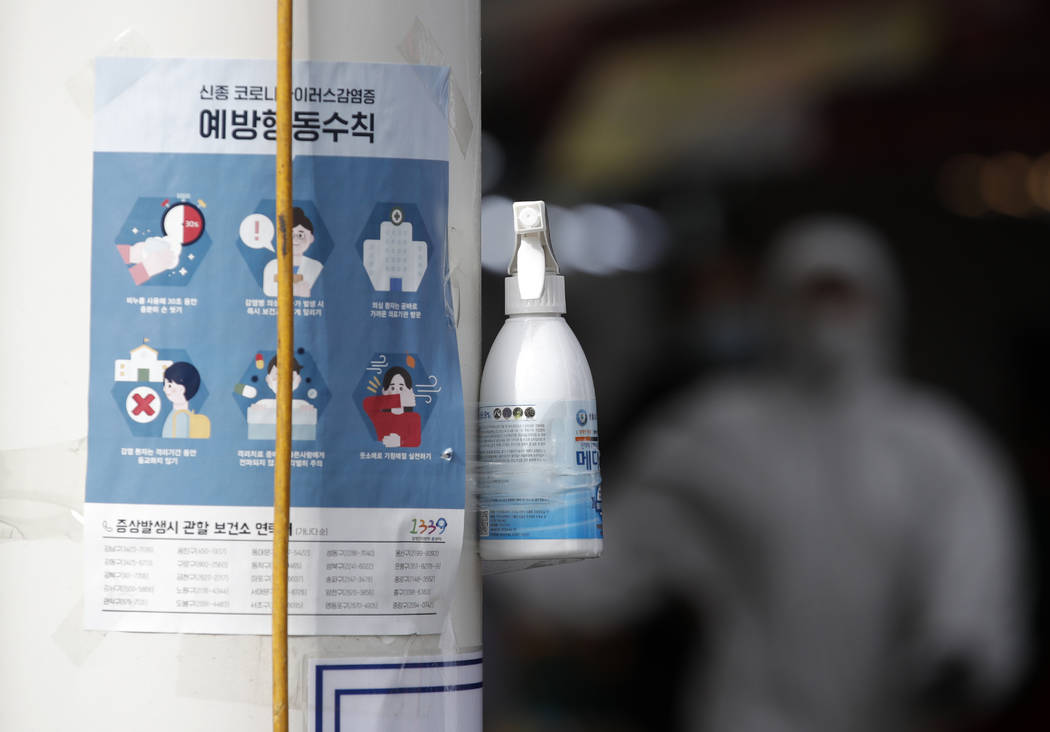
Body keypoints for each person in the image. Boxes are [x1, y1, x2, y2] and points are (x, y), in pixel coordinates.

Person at [488, 215, 1028, 732]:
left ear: (882, 301)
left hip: (888, 714)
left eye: (842, 295)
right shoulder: (719, 436)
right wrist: (499, 551)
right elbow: (620, 550)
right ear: (776, 300)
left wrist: (961, 649)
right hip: (750, 713)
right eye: (811, 295)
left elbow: (973, 561)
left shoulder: (933, 448)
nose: (827, 317)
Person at [246, 355, 318, 440]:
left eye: (290, 377)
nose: (284, 382)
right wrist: (257, 411)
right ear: (268, 380)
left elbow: (308, 430)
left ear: (298, 380)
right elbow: (255, 429)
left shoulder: (302, 404)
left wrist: (307, 412)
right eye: (277, 377)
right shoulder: (263, 403)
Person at [262, 206, 323, 298]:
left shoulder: (317, 267)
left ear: (311, 238)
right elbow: (268, 293)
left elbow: (320, 294)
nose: (294, 240)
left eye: (300, 235)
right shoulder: (271, 266)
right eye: (289, 235)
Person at [363, 366, 421, 448]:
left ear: (410, 391)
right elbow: (366, 403)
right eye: (392, 388)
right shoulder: (380, 417)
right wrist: (400, 400)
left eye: (401, 388)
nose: (397, 392)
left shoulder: (414, 418)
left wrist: (400, 442)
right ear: (384, 391)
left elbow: (416, 442)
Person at [161, 361, 210, 438]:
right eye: (165, 385)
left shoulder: (181, 416)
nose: (164, 389)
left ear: (181, 389)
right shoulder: (177, 414)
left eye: (169, 386)